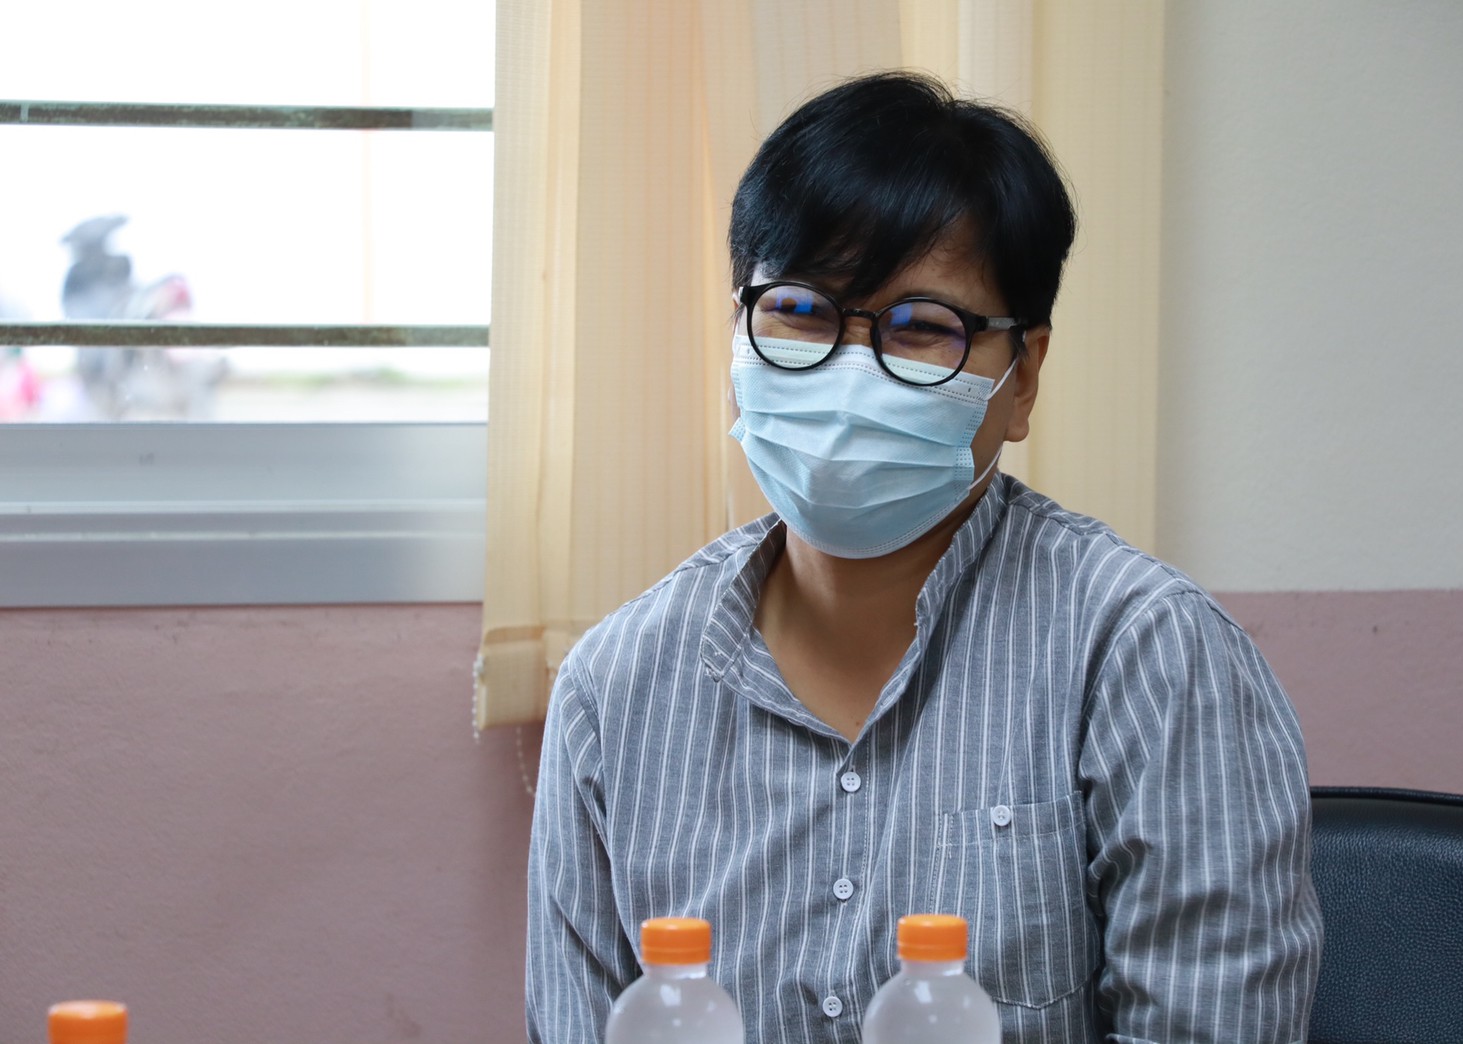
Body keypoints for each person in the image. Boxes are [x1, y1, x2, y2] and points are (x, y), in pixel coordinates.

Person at [526, 71, 1322, 1043]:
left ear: (1021, 378)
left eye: (920, 329)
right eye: (800, 310)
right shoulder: (614, 692)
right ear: (737, 333)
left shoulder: (1150, 659)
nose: (847, 371)